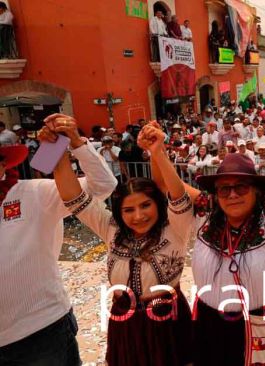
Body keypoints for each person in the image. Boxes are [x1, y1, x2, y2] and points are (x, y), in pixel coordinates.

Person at [144, 117, 265, 365]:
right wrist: (157, 150)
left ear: (256, 190)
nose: (232, 194)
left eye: (241, 187)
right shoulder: (203, 212)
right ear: (216, 194)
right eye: (224, 189)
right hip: (209, 325)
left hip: (260, 326)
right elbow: (163, 183)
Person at [54, 121, 195, 365]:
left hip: (168, 321)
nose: (138, 216)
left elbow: (178, 195)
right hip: (125, 322)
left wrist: (157, 151)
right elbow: (73, 197)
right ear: (119, 213)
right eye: (128, 209)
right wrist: (55, 146)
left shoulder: (175, 229)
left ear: (158, 205)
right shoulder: (112, 229)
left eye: (145, 205)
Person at [0, 114, 117, 365]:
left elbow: (102, 187)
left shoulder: (33, 193)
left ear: (3, 165)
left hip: (41, 333)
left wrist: (75, 143)